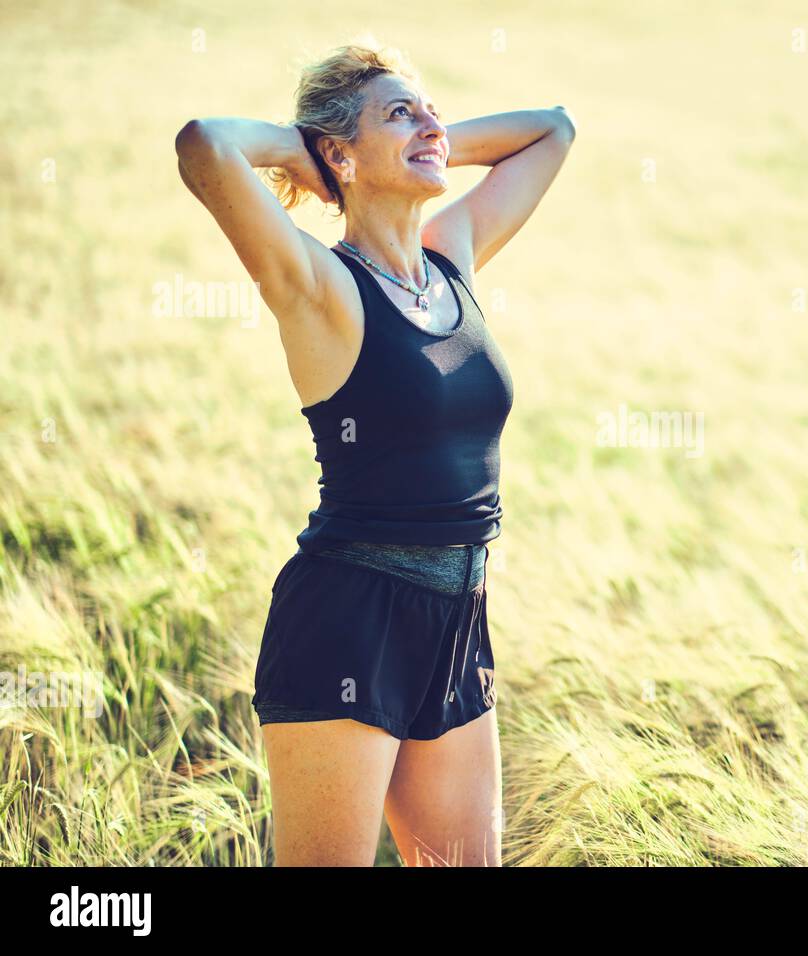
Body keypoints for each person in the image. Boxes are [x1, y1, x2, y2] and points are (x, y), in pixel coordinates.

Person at [174, 38, 575, 866]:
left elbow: (555, 131)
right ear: (339, 155)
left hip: (459, 619)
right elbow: (204, 146)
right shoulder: (319, 285)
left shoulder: (449, 260)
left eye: (428, 106)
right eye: (402, 111)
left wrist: (419, 140)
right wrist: (311, 153)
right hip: (353, 619)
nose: (429, 120)